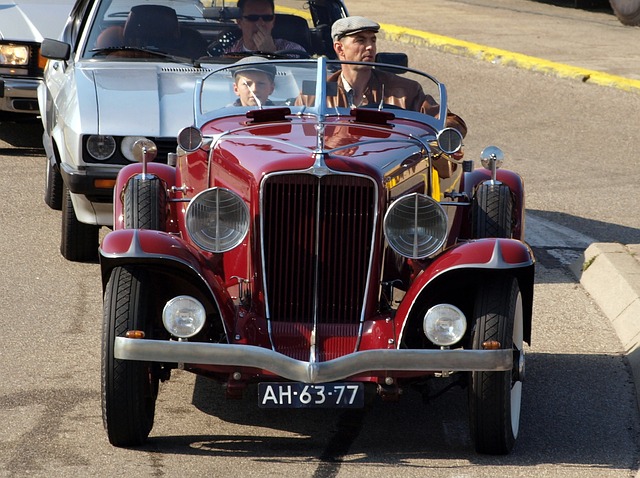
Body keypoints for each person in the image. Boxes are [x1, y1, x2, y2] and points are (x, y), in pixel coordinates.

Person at [327, 16, 467, 137]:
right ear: (340, 48)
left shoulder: (405, 90)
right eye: (361, 40)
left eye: (373, 40)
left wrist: (442, 134)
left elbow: (449, 121)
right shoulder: (318, 92)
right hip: (334, 163)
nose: (370, 47)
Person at [209, 0, 306, 56]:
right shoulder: (227, 49)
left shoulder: (294, 50)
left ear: (273, 21)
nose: (261, 23)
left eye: (267, 18)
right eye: (253, 18)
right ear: (239, 21)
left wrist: (272, 54)